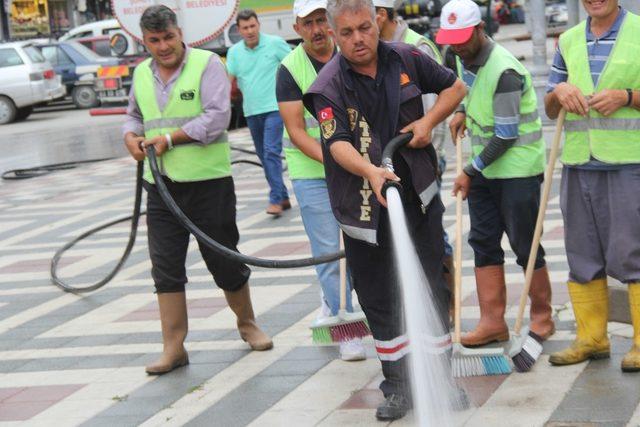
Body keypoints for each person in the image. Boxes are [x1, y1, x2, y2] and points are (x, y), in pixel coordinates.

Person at [303, 0, 466, 420]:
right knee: (378, 296)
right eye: (347, 32)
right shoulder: (327, 86)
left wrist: (429, 121)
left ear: (377, 23)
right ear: (335, 35)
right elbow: (335, 143)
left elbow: (455, 88)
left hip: (417, 196)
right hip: (363, 207)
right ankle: (398, 385)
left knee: (432, 285)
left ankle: (441, 379)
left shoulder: (409, 57)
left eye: (364, 28)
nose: (358, 39)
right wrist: (370, 171)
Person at [122, 5, 272, 376]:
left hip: (208, 184)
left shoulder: (207, 64)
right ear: (145, 41)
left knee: (224, 258)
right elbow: (134, 115)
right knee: (165, 267)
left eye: (168, 37)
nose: (163, 47)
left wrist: (169, 139)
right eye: (154, 41)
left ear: (179, 33)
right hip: (161, 187)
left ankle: (247, 324)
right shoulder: (141, 73)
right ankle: (173, 347)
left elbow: (218, 116)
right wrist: (130, 136)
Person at [440, 0, 555, 347]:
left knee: (525, 244)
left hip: (517, 170)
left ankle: (541, 317)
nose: (456, 45)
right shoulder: (457, 58)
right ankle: (492, 322)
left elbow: (505, 134)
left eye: (462, 38)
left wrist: (468, 171)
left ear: (479, 30)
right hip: (484, 171)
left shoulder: (505, 70)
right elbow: (465, 90)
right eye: (452, 39)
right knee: (483, 242)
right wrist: (461, 109)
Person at [544, 0, 640, 372]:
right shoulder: (568, 40)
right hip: (580, 162)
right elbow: (551, 107)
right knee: (580, 253)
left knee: (633, 252)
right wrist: (560, 92)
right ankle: (592, 338)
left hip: (628, 162)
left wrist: (627, 97)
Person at [276, 0, 366, 361]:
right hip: (313, 173)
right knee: (329, 250)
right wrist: (334, 161)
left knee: (363, 244)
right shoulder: (289, 69)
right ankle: (347, 329)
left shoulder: (350, 56)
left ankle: (337, 301)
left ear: (330, 23)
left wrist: (357, 162)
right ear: (297, 29)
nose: (316, 29)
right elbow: (297, 131)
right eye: (307, 23)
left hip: (359, 167)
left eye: (320, 20)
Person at [373, 0, 455, 310]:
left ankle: (446, 307)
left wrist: (435, 155)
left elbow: (437, 104)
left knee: (431, 234)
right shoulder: (368, 52)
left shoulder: (416, 46)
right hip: (389, 162)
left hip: (422, 159)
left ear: (381, 15)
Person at [227, 9, 291, 216]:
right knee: (264, 155)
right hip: (252, 112)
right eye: (245, 28)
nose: (250, 31)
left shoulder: (275, 43)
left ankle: (275, 200)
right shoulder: (234, 52)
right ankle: (283, 195)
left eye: (253, 26)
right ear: (239, 30)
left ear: (258, 25)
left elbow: (294, 66)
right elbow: (229, 81)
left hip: (274, 108)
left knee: (271, 151)